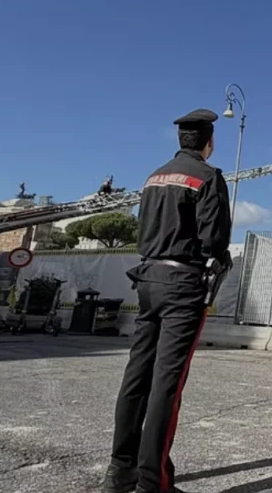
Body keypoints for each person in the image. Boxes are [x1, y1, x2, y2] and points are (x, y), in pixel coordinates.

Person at [102, 109, 233, 493]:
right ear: (210, 142)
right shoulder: (209, 177)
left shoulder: (154, 177)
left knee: (136, 376)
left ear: (180, 141)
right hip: (182, 283)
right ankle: (152, 480)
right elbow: (214, 240)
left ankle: (119, 468)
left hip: (148, 278)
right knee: (167, 384)